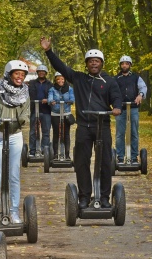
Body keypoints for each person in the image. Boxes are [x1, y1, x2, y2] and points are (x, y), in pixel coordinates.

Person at [40, 37, 122, 209]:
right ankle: (84, 196)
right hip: (84, 126)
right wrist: (48, 51)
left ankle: (104, 197)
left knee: (105, 162)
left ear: (102, 63)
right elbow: (61, 67)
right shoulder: (78, 78)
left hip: (103, 126)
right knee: (81, 161)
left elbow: (116, 97)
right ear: (86, 64)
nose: (94, 64)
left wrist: (117, 107)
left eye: (97, 61)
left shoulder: (110, 81)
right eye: (91, 61)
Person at [0, 60, 30, 223]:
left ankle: (14, 212)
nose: (20, 77)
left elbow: (25, 113)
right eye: (17, 74)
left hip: (15, 135)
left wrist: (17, 121)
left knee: (14, 175)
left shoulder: (25, 92)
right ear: (9, 74)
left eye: (22, 75)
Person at [114, 55, 147, 164]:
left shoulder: (136, 77)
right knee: (119, 134)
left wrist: (140, 95)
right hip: (120, 109)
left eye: (126, 63)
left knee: (134, 133)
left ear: (130, 65)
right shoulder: (116, 79)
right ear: (120, 65)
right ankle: (120, 157)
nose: (124, 65)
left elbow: (143, 87)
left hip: (133, 108)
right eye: (122, 64)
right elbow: (112, 92)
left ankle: (134, 157)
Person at [48, 72, 75, 160]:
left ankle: (67, 155)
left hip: (66, 113)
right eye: (58, 79)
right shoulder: (52, 89)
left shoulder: (70, 89)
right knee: (56, 134)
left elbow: (72, 98)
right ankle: (55, 154)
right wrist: (51, 101)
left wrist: (71, 101)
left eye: (62, 79)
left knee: (66, 134)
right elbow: (49, 98)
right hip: (55, 113)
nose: (60, 80)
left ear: (65, 80)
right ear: (55, 80)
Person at [28, 64, 53, 156]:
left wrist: (48, 100)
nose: (41, 73)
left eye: (43, 71)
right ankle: (32, 151)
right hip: (35, 110)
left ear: (46, 73)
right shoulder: (32, 83)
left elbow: (52, 95)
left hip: (46, 110)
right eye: (40, 71)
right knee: (33, 131)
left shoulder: (50, 84)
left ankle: (44, 151)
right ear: (37, 72)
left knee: (46, 131)